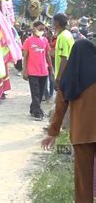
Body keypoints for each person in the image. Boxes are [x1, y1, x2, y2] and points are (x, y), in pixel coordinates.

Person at [41, 39, 96, 202]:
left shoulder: (69, 79)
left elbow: (60, 109)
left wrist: (52, 133)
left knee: (83, 181)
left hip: (81, 135)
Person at [22, 21, 53, 121]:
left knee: (40, 93)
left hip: (44, 71)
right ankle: (38, 113)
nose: (42, 31)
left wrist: (51, 69)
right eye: (40, 29)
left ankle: (33, 108)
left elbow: (47, 55)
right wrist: (24, 71)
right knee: (35, 92)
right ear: (34, 28)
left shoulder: (45, 40)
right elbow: (25, 57)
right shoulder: (28, 41)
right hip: (32, 72)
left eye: (43, 29)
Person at [53, 13, 75, 92]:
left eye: (54, 22)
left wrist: (58, 79)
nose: (53, 24)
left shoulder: (63, 37)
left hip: (64, 76)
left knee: (62, 102)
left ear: (57, 22)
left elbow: (64, 58)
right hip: (68, 74)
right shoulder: (68, 34)